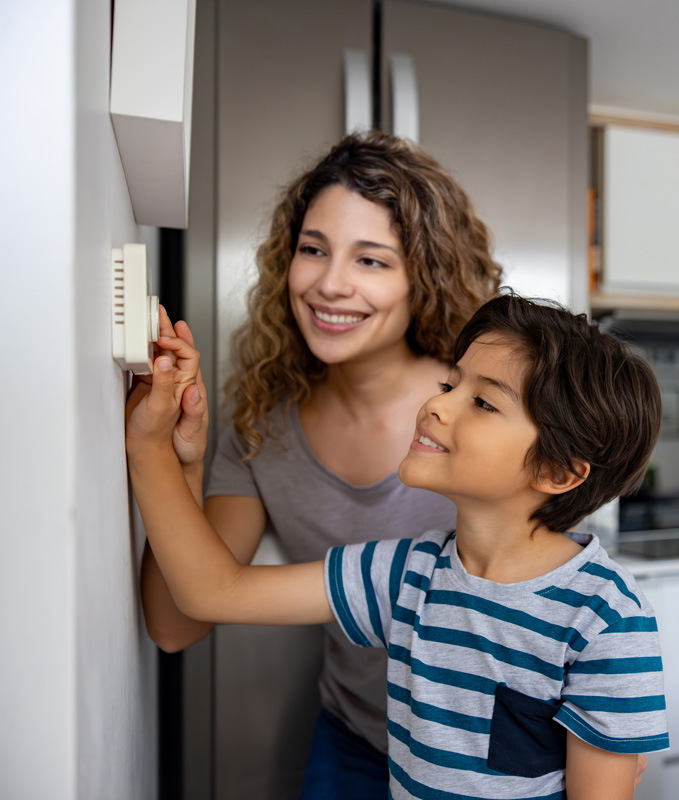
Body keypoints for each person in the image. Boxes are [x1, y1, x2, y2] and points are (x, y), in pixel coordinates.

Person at [127, 292, 668, 800]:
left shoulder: (607, 619)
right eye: (449, 385)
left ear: (556, 471)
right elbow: (213, 591)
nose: (438, 406)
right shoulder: (406, 573)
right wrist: (151, 446)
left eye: (481, 402)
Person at [136, 131, 502, 796]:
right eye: (313, 250)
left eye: (371, 260)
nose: (331, 284)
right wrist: (177, 459)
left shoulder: (483, 414)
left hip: (491, 757)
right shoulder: (260, 428)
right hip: (356, 739)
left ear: (424, 276)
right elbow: (176, 623)